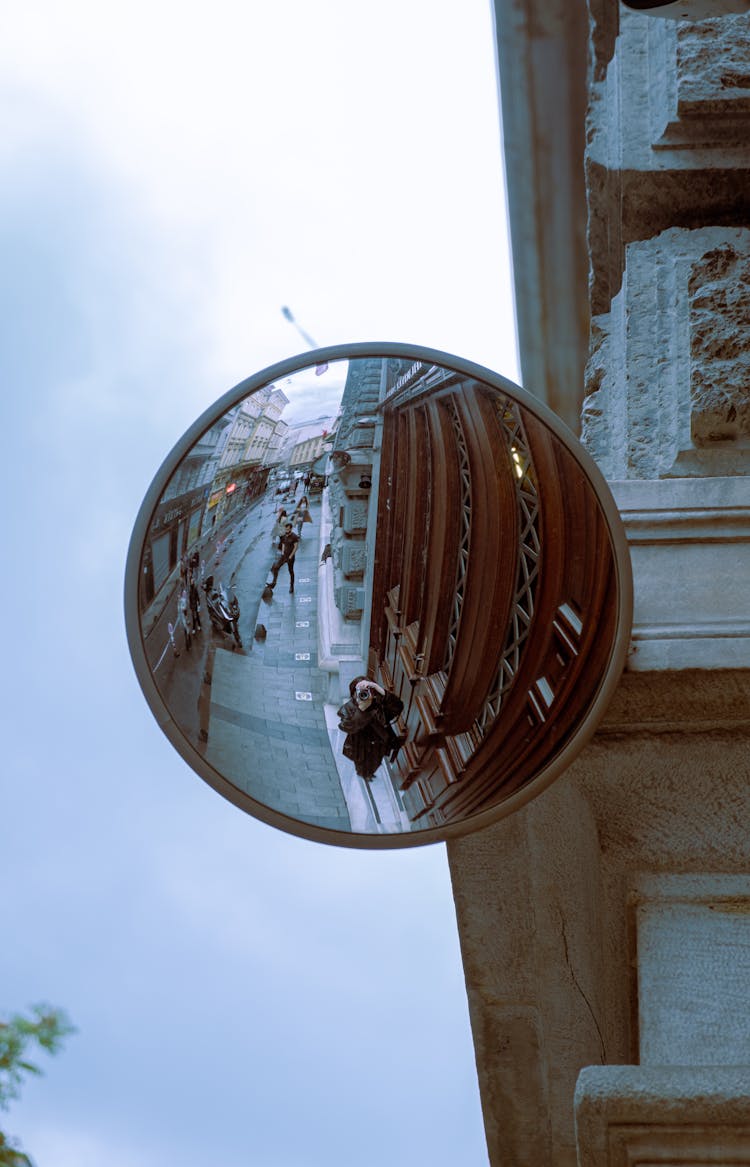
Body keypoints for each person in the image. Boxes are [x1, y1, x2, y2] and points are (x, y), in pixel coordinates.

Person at [337, 677, 404, 781]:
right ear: (354, 694)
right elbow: (346, 727)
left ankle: (370, 773)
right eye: (360, 692)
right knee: (362, 765)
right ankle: (364, 774)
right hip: (361, 747)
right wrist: (361, 711)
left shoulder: (380, 706)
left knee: (376, 762)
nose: (364, 695)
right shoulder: (349, 708)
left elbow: (398, 707)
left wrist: (379, 689)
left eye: (367, 691)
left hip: (379, 744)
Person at [268, 522, 299, 593]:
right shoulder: (285, 536)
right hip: (284, 556)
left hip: (290, 557)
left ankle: (291, 586)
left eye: (288, 529)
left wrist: (291, 555)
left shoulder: (294, 536)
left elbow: (296, 547)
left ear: (291, 528)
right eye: (286, 529)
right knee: (276, 567)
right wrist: (282, 552)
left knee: (290, 571)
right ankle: (273, 583)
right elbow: (283, 544)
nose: (286, 530)